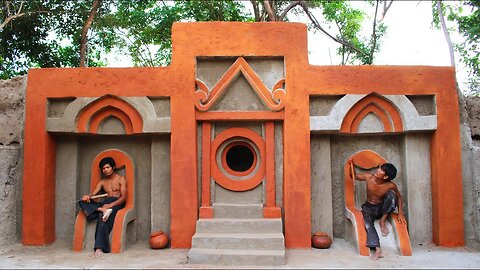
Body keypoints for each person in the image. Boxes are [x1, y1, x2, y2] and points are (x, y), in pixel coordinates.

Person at [348, 158, 407, 261]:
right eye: (379, 168)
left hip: (381, 209)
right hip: (368, 208)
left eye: (381, 170)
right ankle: (377, 249)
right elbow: (354, 176)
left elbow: (399, 197)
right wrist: (351, 166)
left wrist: (400, 213)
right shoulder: (368, 177)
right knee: (368, 225)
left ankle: (382, 222)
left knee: (392, 195)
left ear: (386, 176)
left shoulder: (390, 185)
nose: (378, 170)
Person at [78, 157, 127, 258]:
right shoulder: (102, 182)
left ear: (113, 167)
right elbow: (93, 194)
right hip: (105, 204)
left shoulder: (121, 179)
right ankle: (103, 210)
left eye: (107, 167)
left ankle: (99, 248)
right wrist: (88, 196)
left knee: (102, 217)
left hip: (116, 203)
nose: (105, 170)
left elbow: (123, 198)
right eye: (103, 168)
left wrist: (110, 205)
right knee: (81, 201)